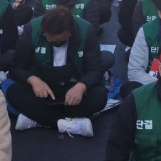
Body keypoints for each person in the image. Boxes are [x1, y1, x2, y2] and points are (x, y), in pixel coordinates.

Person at [6, 7, 108, 136]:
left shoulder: (86, 30)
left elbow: (96, 69)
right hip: (42, 88)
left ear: (71, 32)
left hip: (72, 85)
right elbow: (16, 68)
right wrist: (32, 80)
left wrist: (82, 86)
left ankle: (39, 119)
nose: (57, 43)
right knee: (13, 92)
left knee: (100, 95)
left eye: (62, 40)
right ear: (44, 31)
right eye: (52, 41)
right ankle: (67, 123)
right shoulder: (31, 29)